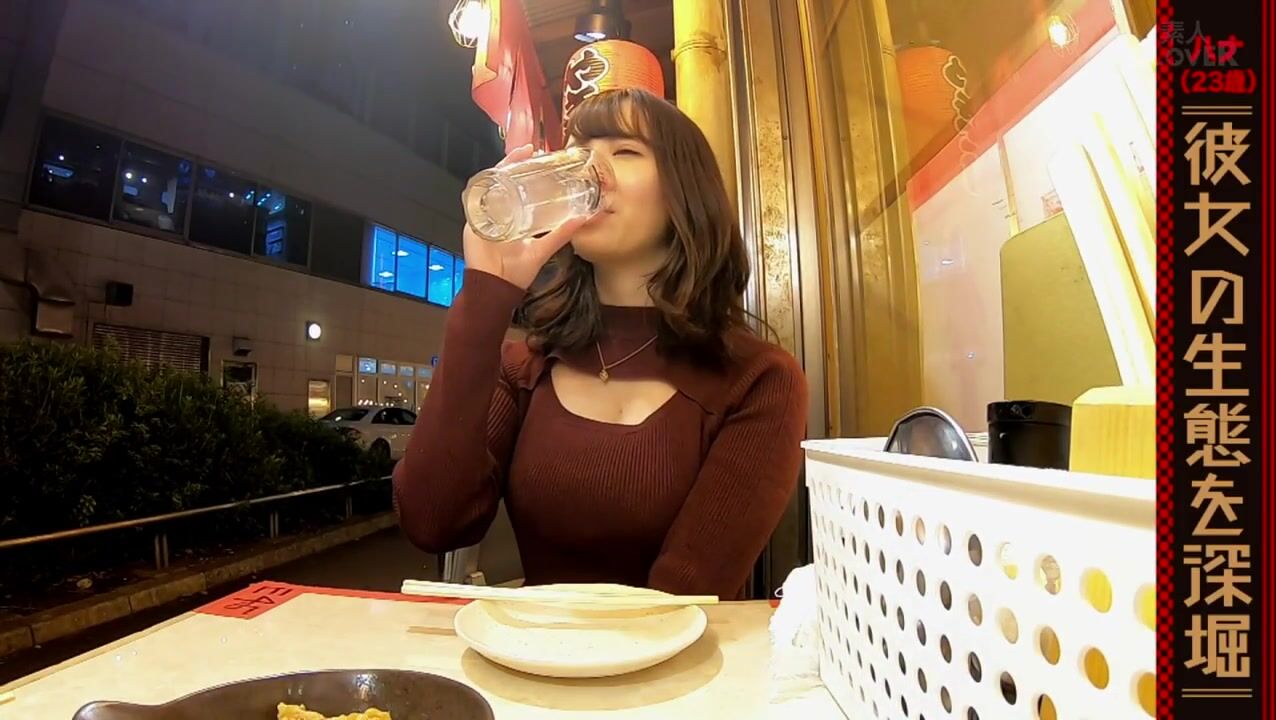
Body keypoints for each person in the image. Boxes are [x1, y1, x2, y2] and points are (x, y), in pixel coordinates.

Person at [393, 88, 808, 599]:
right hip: (528, 645)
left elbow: (685, 595)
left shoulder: (758, 379)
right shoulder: (525, 365)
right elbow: (433, 523)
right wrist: (486, 298)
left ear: (685, 191)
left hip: (676, 651)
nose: (590, 172)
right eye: (579, 151)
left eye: (625, 151)